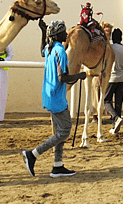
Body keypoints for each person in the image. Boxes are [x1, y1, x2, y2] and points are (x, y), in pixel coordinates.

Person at [21, 20, 87, 178]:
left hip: (49, 94)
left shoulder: (50, 48)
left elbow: (41, 51)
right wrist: (80, 75)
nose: (66, 34)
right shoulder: (60, 50)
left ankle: (57, 166)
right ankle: (33, 154)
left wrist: (43, 32)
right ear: (57, 35)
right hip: (57, 97)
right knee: (64, 131)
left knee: (59, 131)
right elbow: (62, 77)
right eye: (64, 32)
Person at [104, 28, 123, 135]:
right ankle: (115, 128)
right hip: (121, 78)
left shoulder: (109, 48)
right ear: (121, 38)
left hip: (111, 79)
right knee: (118, 104)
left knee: (106, 101)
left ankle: (115, 118)